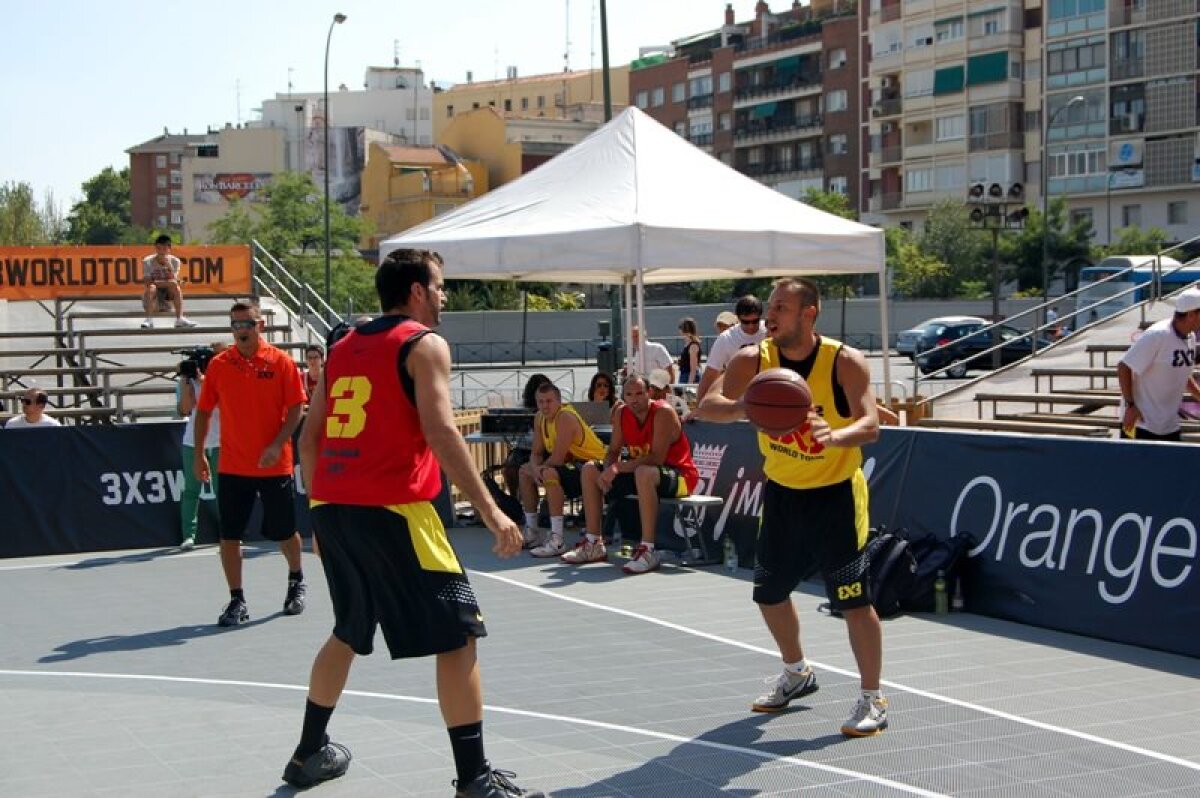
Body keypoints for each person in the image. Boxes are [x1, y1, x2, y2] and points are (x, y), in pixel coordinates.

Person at [285, 248, 541, 798]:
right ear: (418, 291)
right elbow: (442, 431)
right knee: (460, 635)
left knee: (349, 630)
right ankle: (473, 780)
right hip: (395, 509)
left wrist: (318, 513)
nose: (445, 295)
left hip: (333, 508)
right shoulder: (423, 344)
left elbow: (309, 437)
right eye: (441, 285)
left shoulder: (340, 348)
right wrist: (495, 512)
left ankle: (309, 752)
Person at [693, 277, 887, 738]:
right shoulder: (754, 360)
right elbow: (706, 406)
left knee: (854, 603)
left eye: (781, 307)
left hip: (837, 494)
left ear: (809, 314)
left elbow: (872, 423)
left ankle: (872, 697)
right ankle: (798, 673)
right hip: (782, 492)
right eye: (769, 306)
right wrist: (747, 407)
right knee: (769, 594)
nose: (769, 315)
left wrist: (835, 436)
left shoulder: (843, 360)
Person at [194, 301, 307, 627]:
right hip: (233, 465)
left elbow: (296, 409)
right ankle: (236, 599)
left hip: (275, 465)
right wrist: (200, 451)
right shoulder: (219, 364)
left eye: (246, 323)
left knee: (284, 532)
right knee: (229, 536)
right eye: (235, 324)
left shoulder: (281, 362)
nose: (240, 330)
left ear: (261, 326)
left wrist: (276, 444)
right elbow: (202, 411)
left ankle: (296, 578)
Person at [566, 374, 699, 575]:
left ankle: (648, 550)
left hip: (679, 475)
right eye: (629, 394)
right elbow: (613, 450)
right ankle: (594, 542)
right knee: (590, 470)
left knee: (644, 472)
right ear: (624, 396)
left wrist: (617, 469)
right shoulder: (621, 414)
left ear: (650, 393)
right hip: (641, 472)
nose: (634, 399)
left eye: (639, 393)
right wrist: (607, 471)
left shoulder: (663, 412)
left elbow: (656, 458)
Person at [519, 381, 608, 556]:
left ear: (559, 401)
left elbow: (558, 458)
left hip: (593, 465)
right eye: (541, 401)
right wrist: (535, 468)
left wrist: (540, 469)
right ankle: (532, 532)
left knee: (549, 473)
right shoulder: (539, 418)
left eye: (549, 401)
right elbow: (536, 453)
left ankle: (557, 539)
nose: (545, 406)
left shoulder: (565, 417)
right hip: (572, 465)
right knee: (524, 471)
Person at [1117, 286, 1200, 441]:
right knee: (1136, 466)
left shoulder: (1190, 337)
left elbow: (1182, 372)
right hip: (1141, 423)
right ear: (1191, 315)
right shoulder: (1158, 335)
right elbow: (1124, 366)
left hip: (1168, 425)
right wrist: (1131, 405)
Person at [176, 342, 227, 550]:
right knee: (191, 489)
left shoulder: (221, 379)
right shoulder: (188, 381)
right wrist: (188, 383)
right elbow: (185, 409)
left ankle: (228, 532)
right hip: (193, 442)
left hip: (219, 441)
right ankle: (188, 534)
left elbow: (222, 405)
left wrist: (205, 381)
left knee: (222, 489)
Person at [696, 295, 767, 401]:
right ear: (738, 318)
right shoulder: (726, 338)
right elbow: (710, 374)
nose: (751, 326)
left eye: (755, 321)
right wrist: (699, 408)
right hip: (738, 400)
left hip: (767, 393)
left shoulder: (770, 331)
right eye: (746, 322)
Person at [500, 373, 552, 499]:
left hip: (547, 450)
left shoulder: (552, 407)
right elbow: (514, 437)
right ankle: (515, 500)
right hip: (523, 450)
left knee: (548, 469)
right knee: (510, 468)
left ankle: (545, 502)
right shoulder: (521, 408)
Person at [141, 234, 196, 329]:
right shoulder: (148, 261)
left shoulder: (175, 261)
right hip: (153, 300)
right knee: (152, 288)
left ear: (169, 249)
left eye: (164, 249)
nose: (161, 252)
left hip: (168, 299)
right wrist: (166, 283)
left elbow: (174, 281)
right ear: (155, 248)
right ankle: (149, 319)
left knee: (175, 287)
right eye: (159, 248)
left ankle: (179, 318)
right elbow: (147, 282)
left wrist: (169, 267)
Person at [677, 317, 702, 384]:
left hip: (688, 377)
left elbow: (693, 369)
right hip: (684, 375)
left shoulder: (693, 345)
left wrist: (690, 385)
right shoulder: (688, 344)